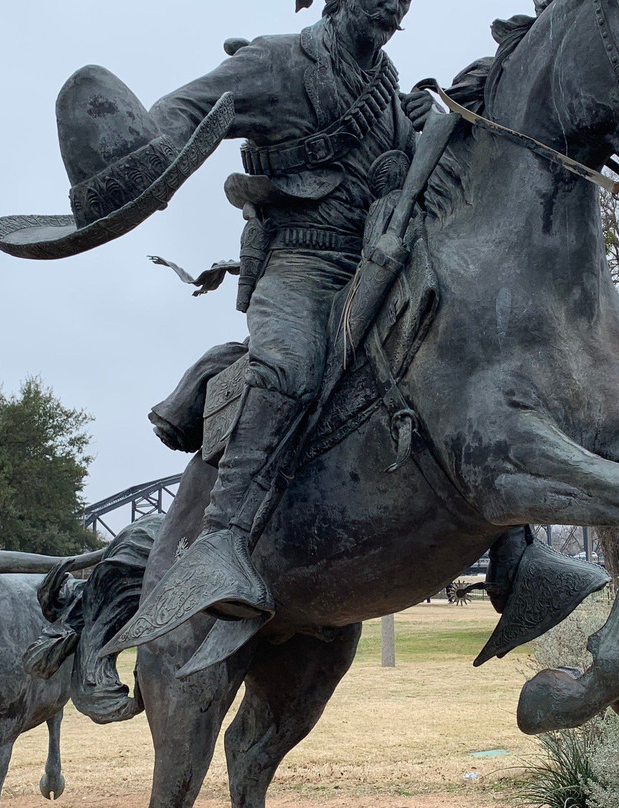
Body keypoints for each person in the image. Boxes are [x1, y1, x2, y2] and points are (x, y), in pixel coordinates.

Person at [124, 0, 425, 644]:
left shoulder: (390, 89)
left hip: (380, 258)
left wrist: (422, 137)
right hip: (302, 260)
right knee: (289, 363)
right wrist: (128, 162)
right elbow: (185, 109)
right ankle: (219, 542)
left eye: (404, 0)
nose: (393, 7)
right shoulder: (276, 60)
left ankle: (515, 549)